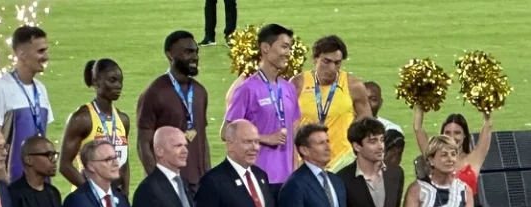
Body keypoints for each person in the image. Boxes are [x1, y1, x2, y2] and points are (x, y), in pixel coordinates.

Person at [223, 23, 302, 192]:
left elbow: (293, 135)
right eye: (284, 47)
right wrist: (265, 138)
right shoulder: (247, 89)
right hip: (257, 179)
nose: (288, 53)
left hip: (287, 180)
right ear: (266, 48)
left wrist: (295, 173)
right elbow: (226, 133)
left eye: (289, 48)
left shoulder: (289, 88)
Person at [413, 106, 492, 207]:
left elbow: (488, 125)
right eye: (447, 132)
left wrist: (487, 104)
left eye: (457, 132)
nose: (452, 136)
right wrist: (420, 105)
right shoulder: (435, 157)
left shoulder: (474, 159)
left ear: (464, 136)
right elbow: (418, 128)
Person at [137, 30, 210, 194]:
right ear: (170, 55)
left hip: (198, 185)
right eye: (188, 51)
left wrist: (208, 178)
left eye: (196, 51)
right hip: (170, 185)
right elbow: (143, 144)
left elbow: (202, 139)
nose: (195, 57)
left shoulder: (200, 92)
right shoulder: (154, 93)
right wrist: (158, 183)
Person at [291, 35, 372, 172]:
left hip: (343, 163)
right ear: (315, 59)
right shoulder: (298, 84)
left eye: (337, 63)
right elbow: (289, 127)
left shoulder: (353, 85)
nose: (332, 68)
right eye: (326, 61)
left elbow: (367, 124)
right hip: (306, 163)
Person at [0, 25, 53, 182]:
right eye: (40, 51)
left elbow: (43, 136)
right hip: (13, 183)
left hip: (40, 183)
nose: (46, 56)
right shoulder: (0, 87)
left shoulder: (41, 89)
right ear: (22, 53)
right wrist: (4, 182)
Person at [60, 59, 130, 193]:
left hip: (114, 196)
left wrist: (125, 195)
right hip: (88, 198)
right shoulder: (82, 118)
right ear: (96, 81)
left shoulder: (123, 120)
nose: (118, 85)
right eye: (112, 80)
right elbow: (64, 165)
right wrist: (93, 193)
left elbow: (124, 163)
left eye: (120, 81)